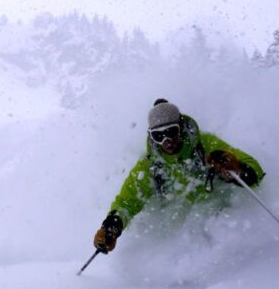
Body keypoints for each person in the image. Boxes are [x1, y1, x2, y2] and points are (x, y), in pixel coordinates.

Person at [93, 98, 265, 254]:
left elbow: (254, 170)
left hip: (218, 220)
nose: (166, 141)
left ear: (181, 127)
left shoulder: (205, 145)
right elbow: (127, 201)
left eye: (171, 132)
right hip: (182, 234)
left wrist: (236, 168)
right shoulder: (150, 166)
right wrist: (112, 226)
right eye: (158, 136)